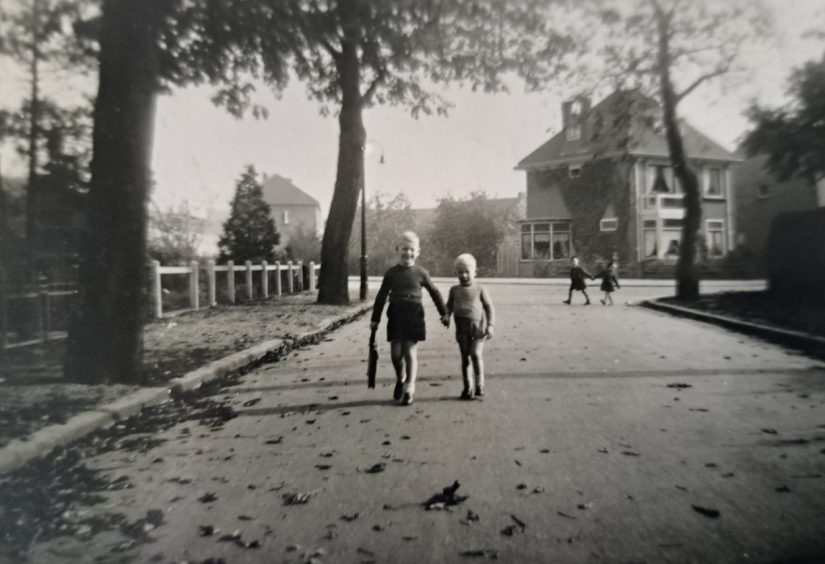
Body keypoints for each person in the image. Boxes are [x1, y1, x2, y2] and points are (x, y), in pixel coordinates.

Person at [370, 231, 447, 406]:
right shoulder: (391, 273)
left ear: (418, 251)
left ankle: (409, 388)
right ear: (398, 249)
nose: (408, 253)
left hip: (414, 314)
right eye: (404, 249)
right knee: (396, 354)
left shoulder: (421, 272)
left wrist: (444, 313)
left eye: (412, 249)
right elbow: (381, 296)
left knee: (410, 352)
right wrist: (375, 319)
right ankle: (401, 377)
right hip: (396, 314)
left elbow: (435, 293)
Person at [441, 254, 495, 400]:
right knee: (465, 358)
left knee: (475, 354)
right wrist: (446, 316)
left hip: (477, 328)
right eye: (460, 272)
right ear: (455, 273)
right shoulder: (454, 290)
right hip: (461, 328)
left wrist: (490, 325)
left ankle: (480, 384)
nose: (464, 275)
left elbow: (489, 307)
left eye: (467, 272)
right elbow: (449, 306)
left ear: (475, 272)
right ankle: (467, 387)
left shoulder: (480, 288)